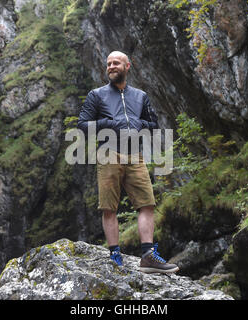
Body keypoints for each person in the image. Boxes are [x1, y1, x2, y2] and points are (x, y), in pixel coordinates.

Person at [77, 51, 179, 274]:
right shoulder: (96, 95)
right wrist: (109, 124)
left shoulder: (140, 96)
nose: (111, 66)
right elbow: (83, 125)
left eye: (116, 63)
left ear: (127, 66)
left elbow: (153, 124)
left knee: (147, 204)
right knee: (109, 207)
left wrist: (137, 123)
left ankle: (148, 257)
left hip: (135, 155)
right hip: (108, 153)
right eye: (108, 64)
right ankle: (115, 256)